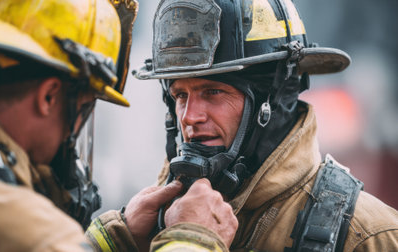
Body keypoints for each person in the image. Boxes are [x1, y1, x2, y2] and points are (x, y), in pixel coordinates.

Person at [0, 0, 238, 251]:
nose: (189, 117)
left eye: (213, 92)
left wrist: (116, 240)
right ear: (49, 97)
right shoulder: (19, 229)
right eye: (84, 108)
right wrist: (193, 241)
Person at [134, 0, 398, 251]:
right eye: (180, 95)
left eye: (213, 92)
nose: (189, 117)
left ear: (271, 103)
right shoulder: (146, 222)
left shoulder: (370, 238)